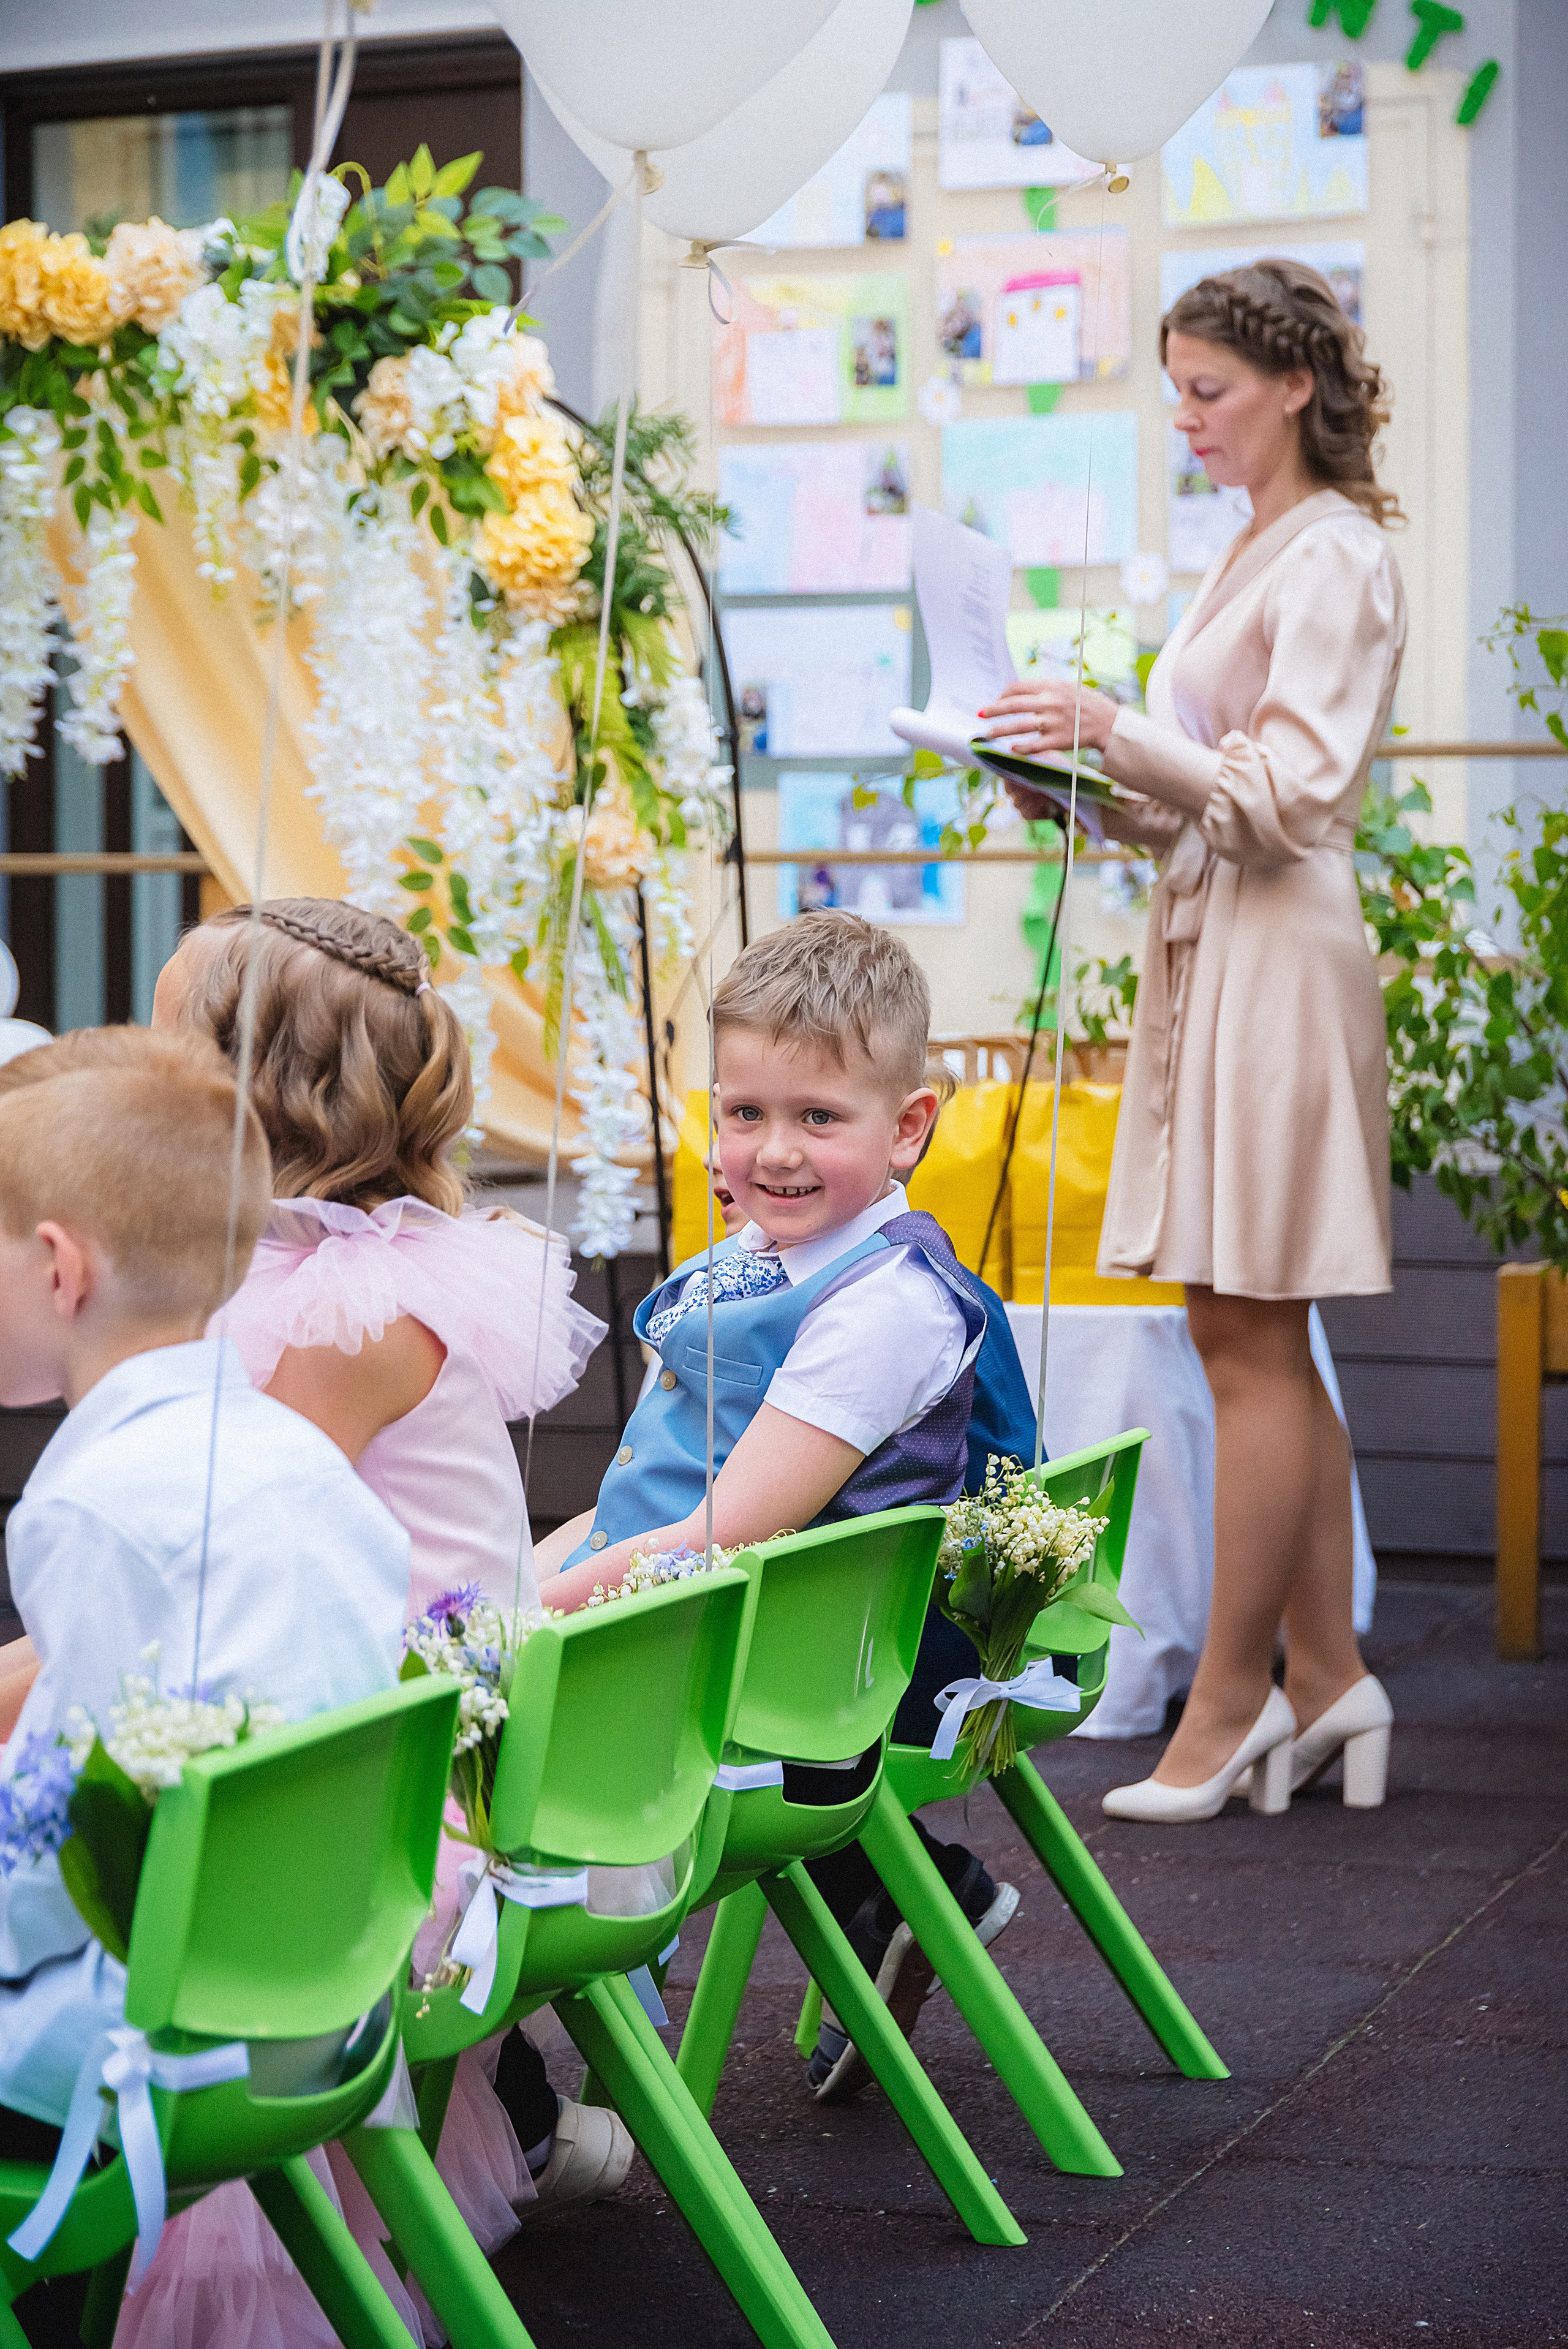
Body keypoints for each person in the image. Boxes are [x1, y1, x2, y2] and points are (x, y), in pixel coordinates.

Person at [137, 901, 616, 2345]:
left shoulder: (336, 1312)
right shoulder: (351, 1268)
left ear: (246, 1089)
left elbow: (210, 1554)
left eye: (165, 1052)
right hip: (404, 1739)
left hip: (397, 1794)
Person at [980, 258, 1401, 1823]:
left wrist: (1114, 729)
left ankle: (1228, 1706)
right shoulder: (1255, 549)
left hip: (1280, 953)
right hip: (1216, 937)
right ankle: (1326, 1672)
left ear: (1295, 385)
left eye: (1208, 388)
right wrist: (1072, 787)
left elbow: (1291, 798)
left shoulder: (1338, 553)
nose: (1186, 418)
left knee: (1242, 1332)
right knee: (1244, 1333)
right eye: (1174, 389)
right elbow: (1204, 797)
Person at [535, 913, 1019, 2096]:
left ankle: (528, 2083)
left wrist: (531, 1613)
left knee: (461, 1734)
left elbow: (725, 1531)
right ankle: (887, 1903)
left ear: (908, 1129)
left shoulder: (882, 1304)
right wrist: (508, 1578)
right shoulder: (747, 1261)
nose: (777, 1151)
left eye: (819, 1118)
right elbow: (640, 1484)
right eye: (746, 1113)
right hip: (710, 1623)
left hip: (775, 1679)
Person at [0, 1028, 411, 2345]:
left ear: (58, 1269)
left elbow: (60, 1837)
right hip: (325, 1991)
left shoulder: (96, 1501)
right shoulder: (294, 1459)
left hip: (154, 2029)